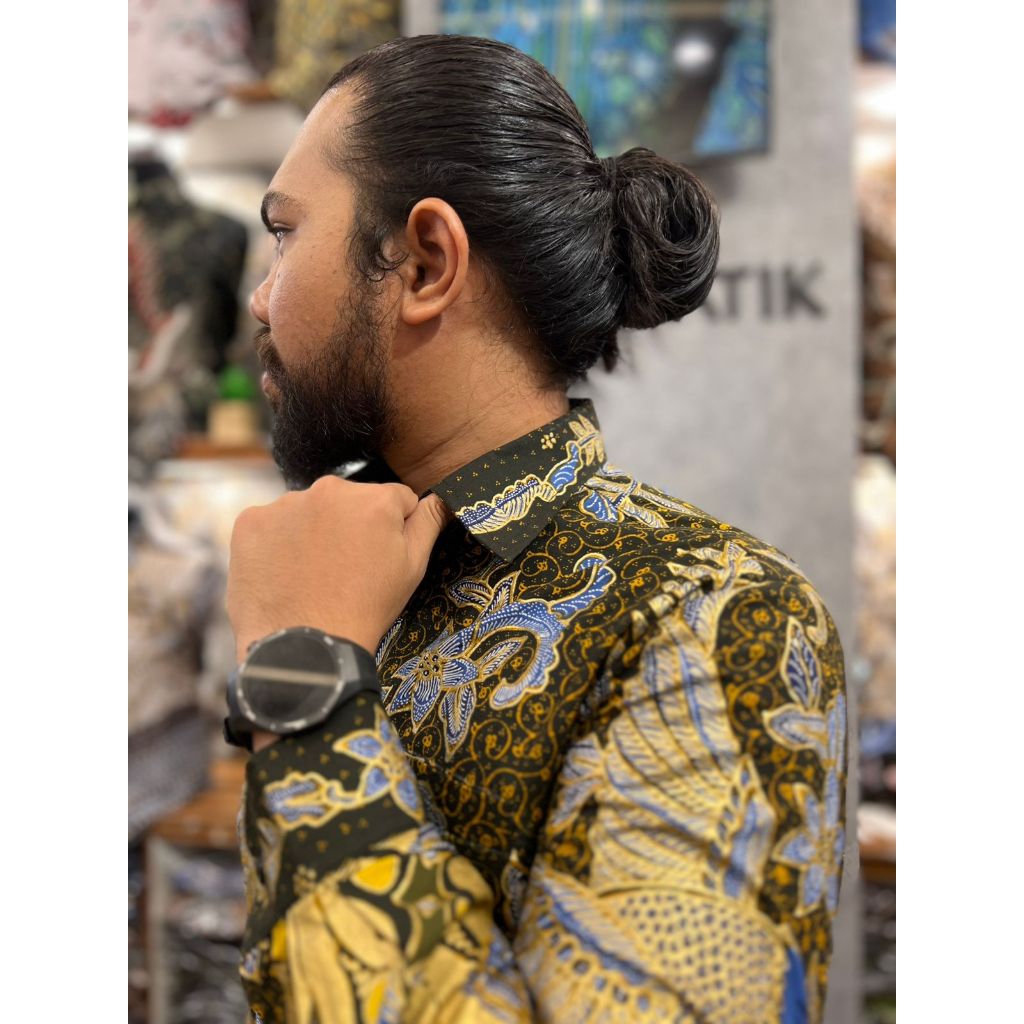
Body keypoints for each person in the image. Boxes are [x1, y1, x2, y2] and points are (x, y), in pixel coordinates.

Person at [224, 34, 848, 1024]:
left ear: (425, 261)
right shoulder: (361, 568)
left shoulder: (714, 614)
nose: (262, 299)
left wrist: (306, 679)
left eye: (285, 233)